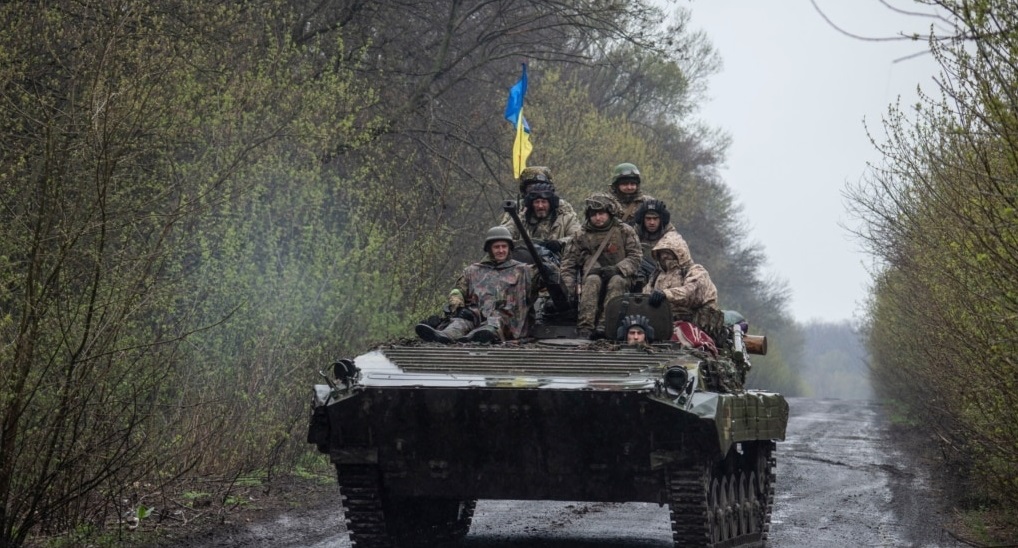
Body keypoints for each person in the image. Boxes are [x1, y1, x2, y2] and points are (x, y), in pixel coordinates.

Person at [416, 226, 543, 344]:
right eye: (496, 247)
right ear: (489, 249)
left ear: (509, 248)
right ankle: (446, 335)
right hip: (475, 317)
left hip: (508, 322)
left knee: (493, 323)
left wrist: (546, 266)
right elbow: (458, 291)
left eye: (504, 246)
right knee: (460, 322)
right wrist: (458, 306)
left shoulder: (524, 271)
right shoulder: (473, 271)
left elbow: (545, 280)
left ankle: (480, 335)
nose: (501, 250)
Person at [559, 192, 642, 339]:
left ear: (610, 213)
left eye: (601, 213)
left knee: (617, 281)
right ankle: (585, 327)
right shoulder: (581, 235)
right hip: (591, 276)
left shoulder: (624, 231)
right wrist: (569, 289)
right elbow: (568, 263)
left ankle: (606, 325)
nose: (598, 218)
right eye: (594, 214)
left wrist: (618, 269)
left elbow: (635, 257)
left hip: (621, 276)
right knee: (592, 280)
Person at [643, 230, 718, 319]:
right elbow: (645, 294)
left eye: (668, 252)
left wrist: (665, 294)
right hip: (663, 319)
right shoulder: (657, 274)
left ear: (679, 253)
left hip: (694, 320)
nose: (664, 256)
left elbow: (690, 293)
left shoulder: (695, 271)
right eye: (661, 253)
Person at [502, 182, 581, 257]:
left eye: (544, 202)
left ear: (551, 203)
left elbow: (578, 237)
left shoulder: (566, 218)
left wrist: (559, 243)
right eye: (537, 202)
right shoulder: (522, 218)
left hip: (558, 262)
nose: (540, 206)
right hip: (524, 261)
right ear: (531, 204)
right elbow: (504, 233)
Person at [500, 166, 576, 225]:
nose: (537, 191)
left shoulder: (562, 206)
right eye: (531, 187)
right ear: (524, 190)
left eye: (541, 186)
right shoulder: (517, 207)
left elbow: (574, 231)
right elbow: (504, 233)